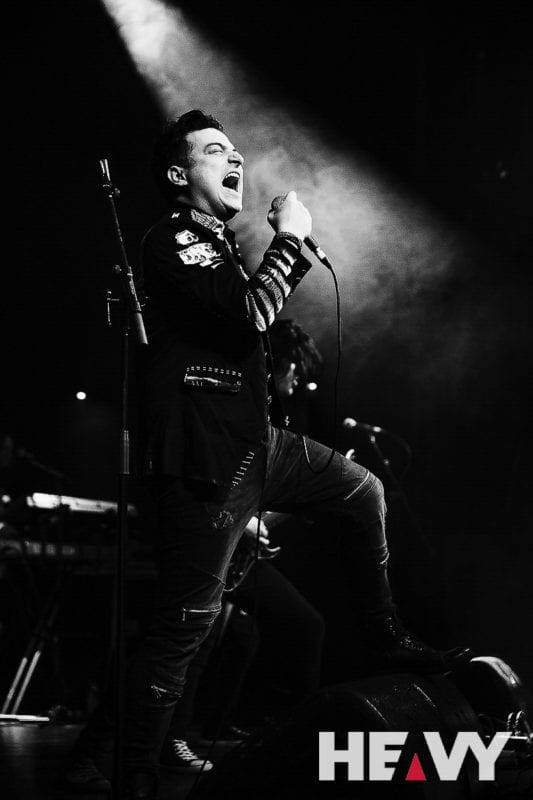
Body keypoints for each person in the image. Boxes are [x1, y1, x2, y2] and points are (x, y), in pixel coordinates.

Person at [66, 110, 470, 799]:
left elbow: (249, 315)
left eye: (237, 151)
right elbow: (253, 312)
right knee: (185, 628)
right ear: (178, 174)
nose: (237, 160)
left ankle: (383, 634)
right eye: (216, 151)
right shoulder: (174, 239)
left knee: (362, 490)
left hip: (256, 441)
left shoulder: (217, 244)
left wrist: (288, 249)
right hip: (207, 454)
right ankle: (130, 772)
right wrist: (289, 240)